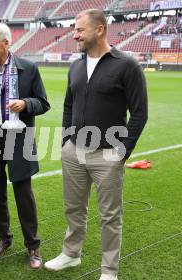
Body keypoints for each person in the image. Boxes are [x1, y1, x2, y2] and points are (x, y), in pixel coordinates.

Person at [44, 9, 148, 280]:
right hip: (73, 151)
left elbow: (139, 112)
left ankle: (109, 270)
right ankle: (71, 254)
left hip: (108, 154)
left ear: (99, 29)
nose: (74, 35)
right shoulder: (76, 65)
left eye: (79, 30)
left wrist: (122, 151)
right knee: (73, 208)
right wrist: (67, 140)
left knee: (110, 216)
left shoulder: (127, 65)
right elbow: (69, 104)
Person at [0, 23, 50, 269]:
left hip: (18, 139)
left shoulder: (28, 68)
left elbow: (43, 102)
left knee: (23, 194)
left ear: (6, 43)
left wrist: (26, 103)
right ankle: (3, 238)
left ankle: (33, 246)